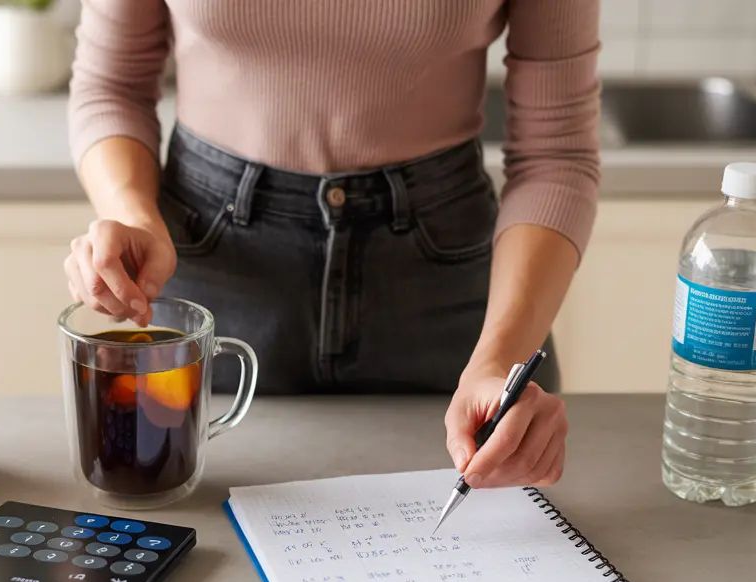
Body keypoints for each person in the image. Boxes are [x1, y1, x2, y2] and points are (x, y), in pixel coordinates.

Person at [63, 1, 600, 491]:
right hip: (211, 270)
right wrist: (131, 213)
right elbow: (112, 84)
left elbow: (555, 153)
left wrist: (502, 359)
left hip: (446, 291)